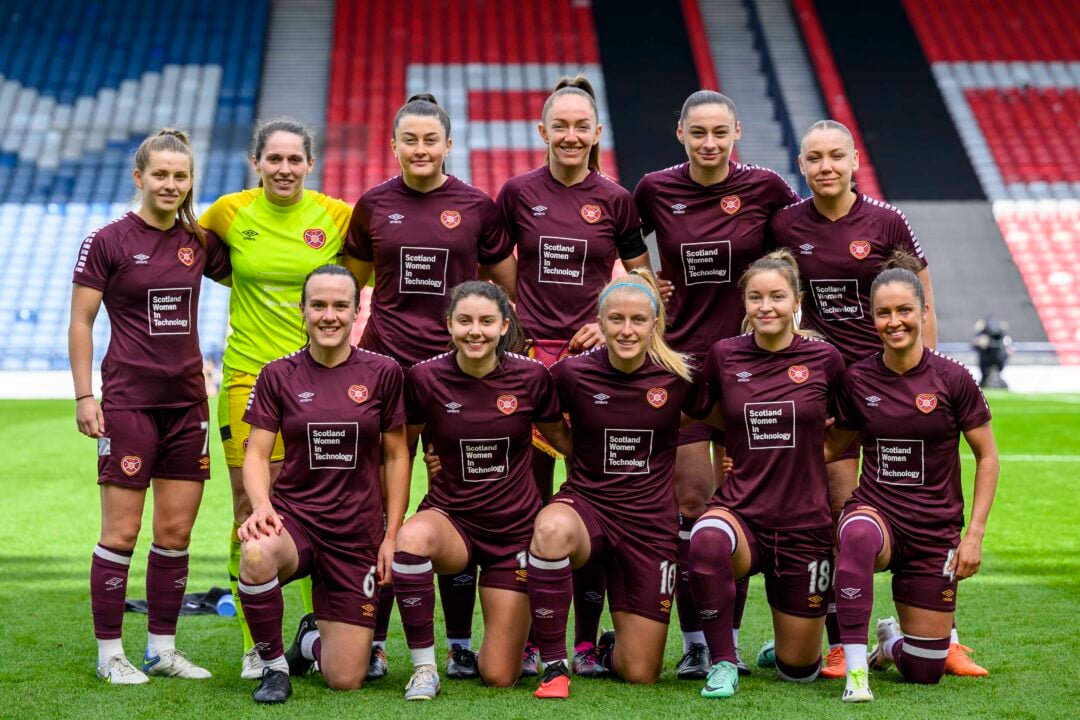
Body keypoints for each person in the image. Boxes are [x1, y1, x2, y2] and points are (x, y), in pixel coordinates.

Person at [768, 119, 995, 680]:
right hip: (830, 388)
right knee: (844, 512)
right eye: (815, 157)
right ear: (802, 166)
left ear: (853, 162)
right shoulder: (786, 224)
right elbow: (774, 289)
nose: (826, 166)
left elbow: (924, 298)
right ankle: (845, 641)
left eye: (836, 156)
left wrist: (929, 374)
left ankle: (943, 636)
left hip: (895, 379)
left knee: (926, 492)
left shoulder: (887, 220)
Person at [343, 93, 517, 680]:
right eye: (409, 140)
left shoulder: (475, 206)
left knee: (461, 500)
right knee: (374, 506)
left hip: (455, 378)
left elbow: (505, 292)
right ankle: (370, 637)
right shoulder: (371, 206)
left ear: (448, 145)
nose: (420, 149)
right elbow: (350, 290)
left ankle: (461, 642)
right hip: (387, 373)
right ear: (394, 145)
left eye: (430, 140)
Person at [634, 90, 800, 678]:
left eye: (719, 132)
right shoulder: (655, 188)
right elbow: (619, 247)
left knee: (745, 503)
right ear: (680, 133)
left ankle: (727, 638)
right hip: (678, 368)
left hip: (752, 373)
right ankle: (696, 643)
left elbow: (795, 259)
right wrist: (644, 280)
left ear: (737, 135)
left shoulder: (767, 188)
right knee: (690, 502)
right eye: (697, 132)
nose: (709, 143)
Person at [497, 74, 655, 676]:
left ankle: (585, 642)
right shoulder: (515, 193)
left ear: (596, 133)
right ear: (542, 131)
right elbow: (496, 270)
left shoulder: (616, 199)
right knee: (529, 503)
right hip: (533, 368)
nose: (569, 135)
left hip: (598, 369)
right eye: (558, 126)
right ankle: (540, 641)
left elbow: (642, 279)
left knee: (593, 496)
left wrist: (601, 316)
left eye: (579, 127)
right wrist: (523, 335)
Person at [70, 129, 230, 684]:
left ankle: (162, 648)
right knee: (120, 534)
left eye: (180, 176)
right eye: (160, 174)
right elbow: (81, 321)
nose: (170, 184)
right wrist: (85, 395)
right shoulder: (108, 240)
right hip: (129, 404)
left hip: (188, 404)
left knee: (176, 534)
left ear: (191, 182)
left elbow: (254, 274)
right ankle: (109, 652)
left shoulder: (199, 242)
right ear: (140, 178)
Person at [200, 118, 353, 679]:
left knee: (320, 503)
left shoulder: (336, 215)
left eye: (295, 160)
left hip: (320, 384)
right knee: (247, 508)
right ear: (256, 163)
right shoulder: (228, 212)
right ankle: (254, 643)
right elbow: (191, 254)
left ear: (310, 164)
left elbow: (353, 282)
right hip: (246, 378)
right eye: (275, 159)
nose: (285, 169)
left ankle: (316, 628)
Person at [826, 256, 999, 702]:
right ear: (872, 317)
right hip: (877, 514)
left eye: (904, 310)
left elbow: (987, 458)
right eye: (884, 312)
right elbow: (831, 446)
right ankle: (857, 674)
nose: (894, 321)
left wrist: (974, 536)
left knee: (924, 671)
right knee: (858, 533)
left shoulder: (954, 378)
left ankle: (889, 641)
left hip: (934, 530)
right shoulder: (857, 378)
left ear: (923, 312)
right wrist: (757, 455)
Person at [527, 270, 705, 699]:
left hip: (649, 523)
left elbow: (717, 418)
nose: (627, 330)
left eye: (638, 320)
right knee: (550, 529)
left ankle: (607, 649)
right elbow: (538, 418)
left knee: (640, 672)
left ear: (655, 324)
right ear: (600, 323)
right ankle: (554, 664)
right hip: (587, 504)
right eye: (616, 320)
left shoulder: (679, 378)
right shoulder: (571, 374)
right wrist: (571, 449)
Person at [236, 265, 409, 704]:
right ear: (303, 311)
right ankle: (274, 668)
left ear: (356, 314)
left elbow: (396, 455)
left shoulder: (383, 372)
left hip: (356, 533)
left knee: (344, 678)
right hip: (298, 521)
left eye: (339, 306)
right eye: (318, 305)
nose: (328, 316)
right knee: (256, 554)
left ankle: (311, 640)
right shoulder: (278, 374)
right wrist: (260, 507)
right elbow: (256, 454)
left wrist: (392, 533)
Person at [391, 281, 571, 700]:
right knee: (413, 539)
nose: (476, 331)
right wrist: (391, 517)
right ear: (449, 324)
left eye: (487, 322)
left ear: (504, 325)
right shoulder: (424, 377)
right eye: (465, 321)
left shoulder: (531, 377)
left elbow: (563, 442)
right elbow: (403, 446)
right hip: (452, 521)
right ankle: (423, 668)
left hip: (513, 533)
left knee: (498, 675)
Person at [685, 250, 845, 699]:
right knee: (707, 538)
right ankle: (722, 661)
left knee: (800, 672)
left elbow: (849, 426)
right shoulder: (724, 355)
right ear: (744, 303)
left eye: (777, 296)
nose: (766, 306)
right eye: (755, 297)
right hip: (742, 511)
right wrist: (742, 440)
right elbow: (704, 412)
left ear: (796, 300)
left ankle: (790, 646)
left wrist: (814, 452)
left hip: (804, 524)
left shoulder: (825, 359)